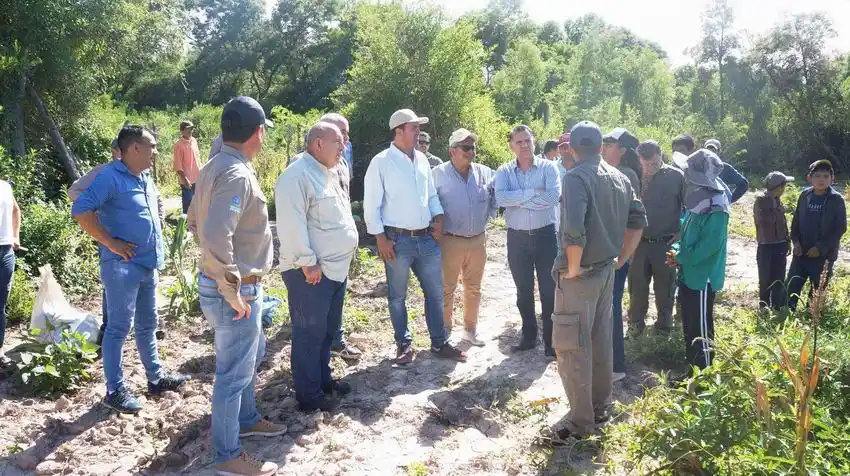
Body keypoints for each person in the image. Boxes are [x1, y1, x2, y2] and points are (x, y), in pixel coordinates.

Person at [188, 96, 285, 476]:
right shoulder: (237, 174)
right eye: (264, 132)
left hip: (229, 285)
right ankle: (228, 455)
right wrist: (231, 288)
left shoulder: (215, 166)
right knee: (232, 374)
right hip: (236, 289)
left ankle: (246, 419)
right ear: (257, 133)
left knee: (247, 358)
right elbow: (213, 233)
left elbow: (195, 222)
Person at [72, 126, 188, 414]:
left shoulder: (145, 177)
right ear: (134, 148)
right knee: (118, 328)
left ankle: (156, 378)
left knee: (148, 325)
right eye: (152, 146)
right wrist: (111, 243)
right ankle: (114, 390)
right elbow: (81, 210)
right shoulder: (110, 177)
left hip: (147, 264)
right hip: (122, 267)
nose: (156, 151)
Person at [551, 121, 646, 442]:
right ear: (601, 146)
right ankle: (600, 407)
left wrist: (574, 268)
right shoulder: (621, 177)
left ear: (574, 148)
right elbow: (638, 223)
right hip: (607, 271)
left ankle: (580, 424)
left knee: (572, 347)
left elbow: (573, 230)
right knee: (600, 341)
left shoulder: (577, 177)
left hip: (582, 275)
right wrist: (622, 259)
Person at [363, 108, 467, 365]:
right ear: (398, 131)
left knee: (435, 292)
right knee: (398, 296)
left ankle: (439, 343)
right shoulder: (381, 162)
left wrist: (438, 217)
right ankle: (404, 344)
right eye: (413, 127)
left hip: (426, 239)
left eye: (418, 127)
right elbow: (371, 205)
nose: (418, 131)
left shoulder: (421, 159)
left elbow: (431, 195)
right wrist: (380, 238)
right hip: (397, 241)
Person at [277, 122, 358, 413]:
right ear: (318, 144)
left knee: (325, 330)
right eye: (338, 141)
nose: (343, 146)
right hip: (310, 272)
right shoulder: (296, 175)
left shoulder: (330, 172)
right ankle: (309, 395)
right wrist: (307, 262)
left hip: (335, 269)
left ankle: (324, 381)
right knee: (309, 332)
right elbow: (290, 223)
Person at [494, 125, 560, 356]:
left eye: (527, 140)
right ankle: (529, 336)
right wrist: (533, 193)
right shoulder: (504, 171)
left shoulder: (549, 168)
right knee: (523, 290)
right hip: (517, 238)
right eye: (519, 142)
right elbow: (501, 198)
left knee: (549, 290)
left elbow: (553, 197)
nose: (524, 145)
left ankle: (551, 341)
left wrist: (518, 199)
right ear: (512, 146)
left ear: (534, 142)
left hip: (545, 236)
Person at [432, 128, 497, 346]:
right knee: (446, 288)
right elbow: (429, 205)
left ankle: (470, 330)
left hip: (478, 239)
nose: (472, 152)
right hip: (450, 240)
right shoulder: (437, 175)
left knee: (474, 288)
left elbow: (495, 199)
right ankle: (444, 331)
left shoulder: (485, 172)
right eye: (466, 148)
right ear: (452, 151)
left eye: (474, 148)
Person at [667, 149, 730, 374]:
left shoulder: (717, 206)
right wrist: (676, 252)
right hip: (689, 273)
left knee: (701, 329)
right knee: (690, 325)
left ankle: (705, 376)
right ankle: (692, 372)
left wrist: (681, 257)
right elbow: (687, 231)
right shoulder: (699, 198)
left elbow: (709, 246)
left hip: (702, 277)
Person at [313, 113, 363, 362]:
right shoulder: (307, 166)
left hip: (339, 251)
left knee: (338, 297)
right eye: (342, 134)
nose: (346, 139)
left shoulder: (341, 163)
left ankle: (335, 340)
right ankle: (324, 345)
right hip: (319, 254)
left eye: (347, 135)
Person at [68, 138, 122, 354]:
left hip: (134, 240)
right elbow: (75, 191)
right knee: (112, 283)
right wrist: (96, 205)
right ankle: (108, 332)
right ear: (114, 151)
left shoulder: (137, 173)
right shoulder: (102, 172)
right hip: (110, 237)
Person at [628, 141, 684, 343]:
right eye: (645, 164)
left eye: (654, 164)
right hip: (639, 244)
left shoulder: (677, 177)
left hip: (665, 244)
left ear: (661, 155)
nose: (649, 169)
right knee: (637, 288)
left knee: (665, 289)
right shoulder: (634, 176)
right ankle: (635, 329)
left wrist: (681, 233)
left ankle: (663, 330)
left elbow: (689, 208)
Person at [601, 128, 641, 382]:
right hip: (617, 251)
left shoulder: (622, 175)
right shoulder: (621, 174)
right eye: (603, 143)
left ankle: (615, 365)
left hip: (617, 253)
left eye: (609, 144)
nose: (604, 148)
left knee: (612, 305)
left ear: (623, 150)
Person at [787, 160, 847, 310]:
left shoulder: (836, 199)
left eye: (826, 176)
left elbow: (840, 228)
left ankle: (811, 317)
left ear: (832, 179)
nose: (821, 180)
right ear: (809, 178)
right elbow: (796, 222)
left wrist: (820, 247)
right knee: (791, 287)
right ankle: (786, 311)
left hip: (823, 254)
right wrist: (796, 242)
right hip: (801, 252)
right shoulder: (805, 195)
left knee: (817, 291)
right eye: (817, 176)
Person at [754, 171, 794, 310]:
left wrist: (787, 241)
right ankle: (764, 305)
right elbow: (764, 222)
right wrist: (776, 208)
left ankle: (777, 305)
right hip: (766, 245)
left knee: (779, 276)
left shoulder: (777, 200)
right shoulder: (762, 200)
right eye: (783, 186)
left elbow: (783, 224)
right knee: (765, 277)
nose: (784, 190)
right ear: (779, 187)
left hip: (780, 244)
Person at [0, 178, 21, 372]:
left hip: (5, 252)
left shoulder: (5, 186)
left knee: (0, 305)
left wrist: (15, 236)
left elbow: (15, 210)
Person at [704, 139, 749, 204]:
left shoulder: (725, 168)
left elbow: (744, 184)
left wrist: (729, 200)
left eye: (713, 151)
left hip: (719, 209)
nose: (710, 153)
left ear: (719, 152)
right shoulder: (697, 167)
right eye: (708, 150)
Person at [173, 120, 201, 214]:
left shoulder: (194, 141)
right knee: (188, 206)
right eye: (188, 129)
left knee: (198, 204)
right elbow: (178, 165)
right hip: (187, 180)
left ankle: (196, 226)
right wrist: (185, 180)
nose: (190, 131)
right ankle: (185, 226)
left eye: (191, 129)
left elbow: (197, 159)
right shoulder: (179, 145)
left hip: (197, 178)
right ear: (182, 131)